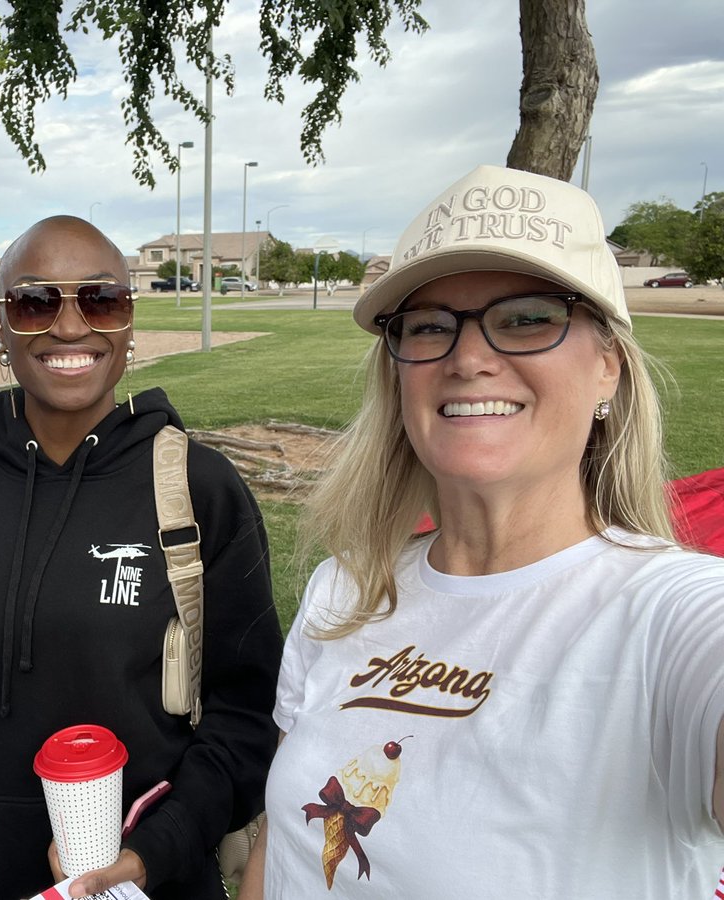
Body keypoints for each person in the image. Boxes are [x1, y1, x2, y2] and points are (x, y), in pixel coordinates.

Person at [239, 165, 724, 898]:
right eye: (430, 325)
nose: (468, 359)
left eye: (528, 317)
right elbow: (284, 843)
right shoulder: (344, 588)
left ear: (608, 367)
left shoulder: (668, 615)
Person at [0, 215, 283, 899]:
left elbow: (247, 716)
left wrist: (159, 848)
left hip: (149, 878)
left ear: (130, 322)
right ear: (1, 327)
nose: (69, 328)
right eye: (35, 303)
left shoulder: (201, 489)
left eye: (100, 299)